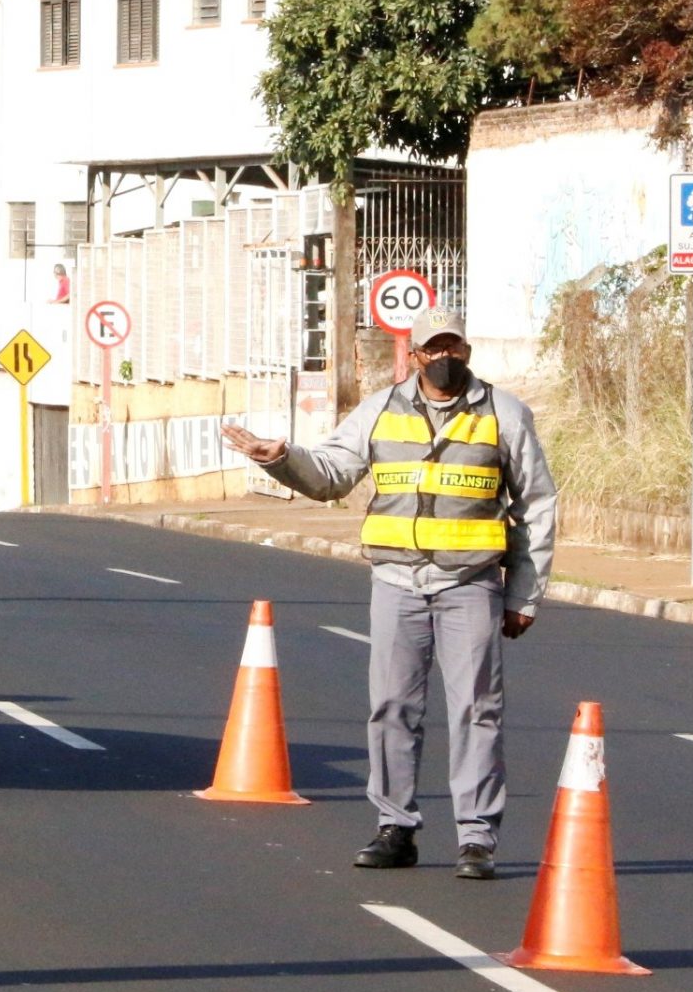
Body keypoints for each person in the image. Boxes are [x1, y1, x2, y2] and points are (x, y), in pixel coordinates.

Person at [221, 306, 557, 879]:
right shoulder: (378, 410)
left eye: (454, 348)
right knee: (392, 708)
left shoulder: (505, 413)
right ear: (415, 355)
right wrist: (280, 459)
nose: (445, 359)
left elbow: (536, 506)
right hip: (396, 582)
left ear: (466, 352)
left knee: (477, 710)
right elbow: (330, 475)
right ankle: (394, 828)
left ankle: (476, 838)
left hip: (471, 582)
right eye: (434, 349)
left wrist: (524, 595)